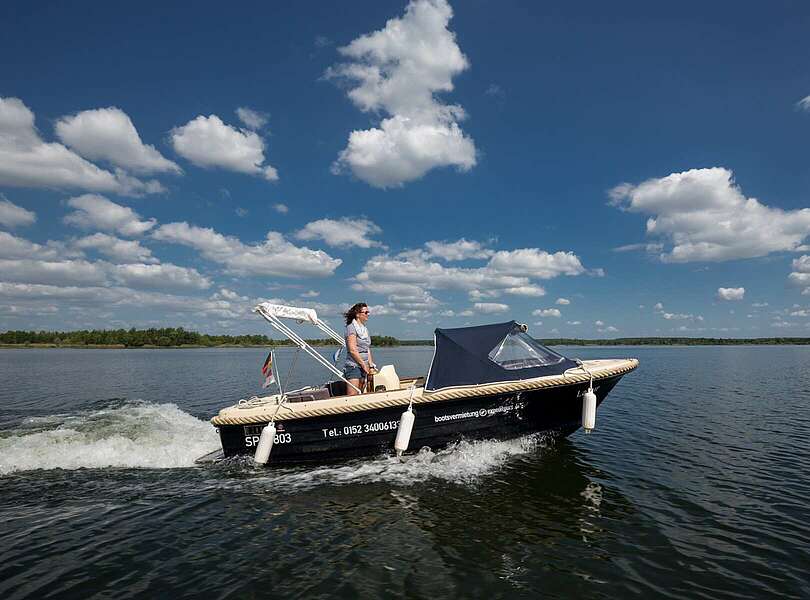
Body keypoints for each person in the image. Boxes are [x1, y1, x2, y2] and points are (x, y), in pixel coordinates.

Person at [343, 302, 375, 395]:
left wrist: (370, 365)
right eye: (365, 312)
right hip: (354, 366)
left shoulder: (365, 330)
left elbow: (367, 349)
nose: (368, 314)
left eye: (368, 312)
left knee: (360, 393)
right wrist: (363, 365)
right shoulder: (351, 328)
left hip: (364, 366)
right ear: (357, 314)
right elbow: (352, 350)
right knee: (353, 395)